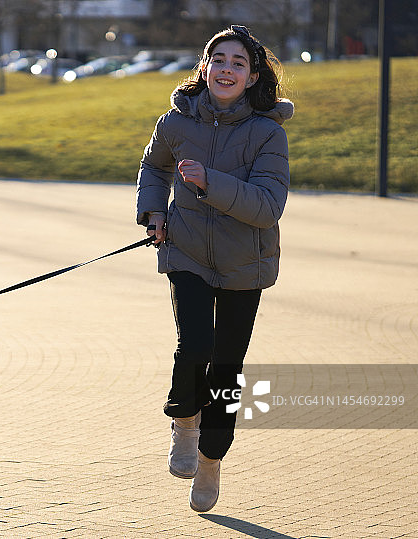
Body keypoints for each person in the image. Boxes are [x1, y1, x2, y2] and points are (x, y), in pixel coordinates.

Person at [135, 25, 293, 512]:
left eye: (238, 63)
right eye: (218, 59)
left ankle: (211, 460)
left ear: (252, 76)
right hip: (186, 252)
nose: (227, 69)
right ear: (204, 68)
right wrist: (154, 211)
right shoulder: (175, 123)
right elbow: (155, 167)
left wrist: (208, 181)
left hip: (245, 263)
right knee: (195, 344)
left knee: (226, 368)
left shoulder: (268, 133)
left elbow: (268, 207)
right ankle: (184, 419)